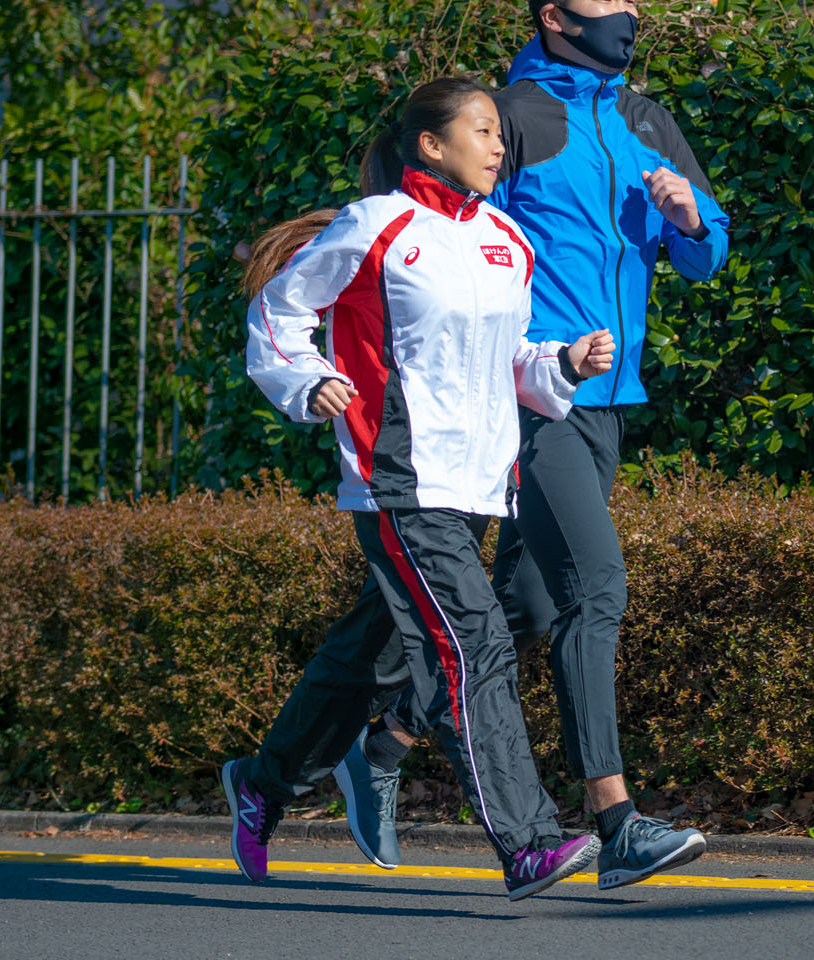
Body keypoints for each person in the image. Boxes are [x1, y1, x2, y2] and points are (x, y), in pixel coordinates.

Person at [333, 0, 732, 890]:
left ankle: (383, 740)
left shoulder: (646, 119)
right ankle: (617, 820)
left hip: (610, 398)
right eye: (606, 0)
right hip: (535, 396)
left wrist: (690, 217)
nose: (627, 12)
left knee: (529, 607)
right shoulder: (508, 117)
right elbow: (455, 236)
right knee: (597, 585)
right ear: (555, 16)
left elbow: (708, 255)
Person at [224, 76, 619, 901]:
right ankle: (529, 842)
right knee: (471, 648)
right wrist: (307, 378)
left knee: (373, 650)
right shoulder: (377, 225)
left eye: (500, 132)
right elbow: (277, 312)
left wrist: (562, 365)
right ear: (433, 145)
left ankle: (267, 781)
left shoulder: (508, 242)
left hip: (476, 485)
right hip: (399, 478)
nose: (499, 143)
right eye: (483, 130)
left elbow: (506, 365)